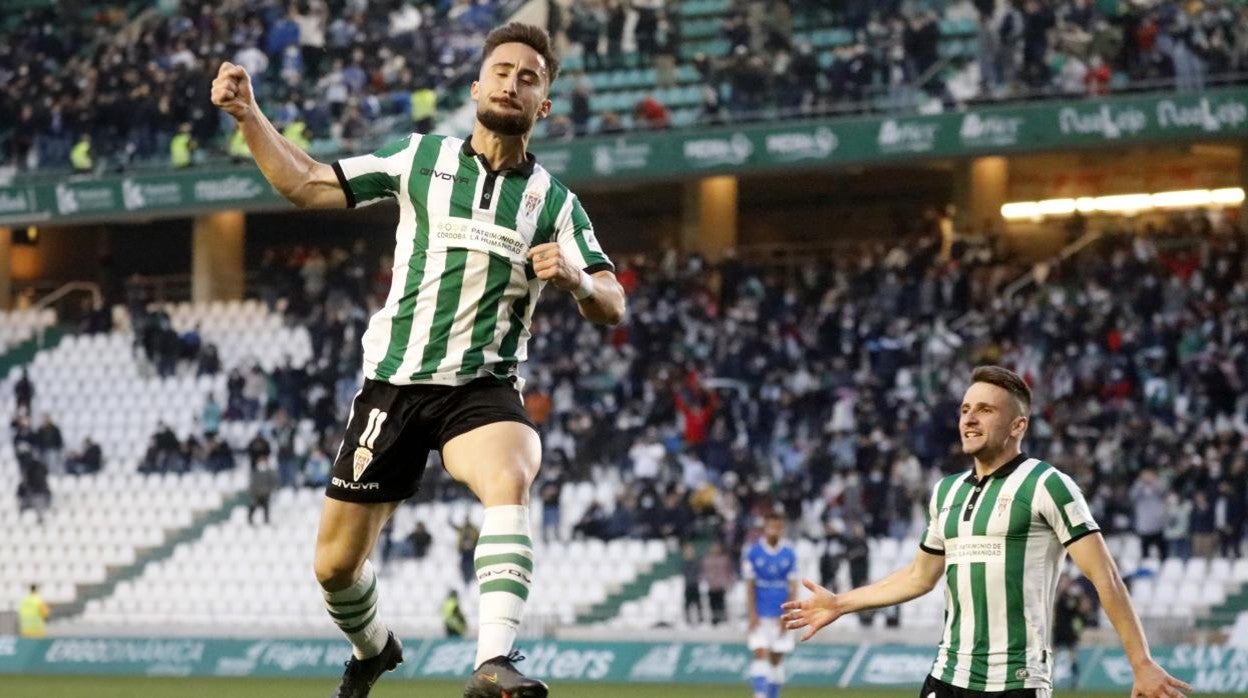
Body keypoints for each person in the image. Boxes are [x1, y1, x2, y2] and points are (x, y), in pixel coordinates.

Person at [212, 21, 626, 698]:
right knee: (335, 569)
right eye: (502, 71)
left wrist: (579, 281)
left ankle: (493, 661)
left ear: (544, 105)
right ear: (475, 87)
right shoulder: (418, 160)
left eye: (529, 77)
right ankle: (373, 650)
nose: (513, 83)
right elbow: (311, 183)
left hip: (481, 389)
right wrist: (248, 114)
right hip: (393, 387)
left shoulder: (555, 204)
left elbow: (613, 300)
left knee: (511, 473)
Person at [782, 366, 1191, 698]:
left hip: (1015, 682)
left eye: (984, 410)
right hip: (947, 676)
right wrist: (840, 604)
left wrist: (1140, 662)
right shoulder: (946, 491)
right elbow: (918, 577)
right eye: (964, 409)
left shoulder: (1047, 484)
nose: (969, 419)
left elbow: (1106, 577)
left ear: (1018, 426)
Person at [744, 510, 798, 698]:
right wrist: (751, 614)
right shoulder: (754, 552)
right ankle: (759, 695)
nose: (774, 530)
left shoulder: (789, 553)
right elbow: (749, 586)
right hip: (760, 613)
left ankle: (773, 695)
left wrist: (788, 616)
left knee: (776, 659)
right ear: (765, 529)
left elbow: (793, 588)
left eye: (778, 527)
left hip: (780, 614)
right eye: (771, 526)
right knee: (759, 652)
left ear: (782, 529)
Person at [1052, 572, 1092, 690]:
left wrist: (1082, 596)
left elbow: (1082, 609)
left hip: (1069, 631)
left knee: (1072, 656)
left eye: (1066, 581)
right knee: (1052, 656)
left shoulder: (1072, 597)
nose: (1064, 583)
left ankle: (1076, 681)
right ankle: (1048, 679)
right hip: (1058, 630)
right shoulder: (1055, 595)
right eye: (1062, 581)